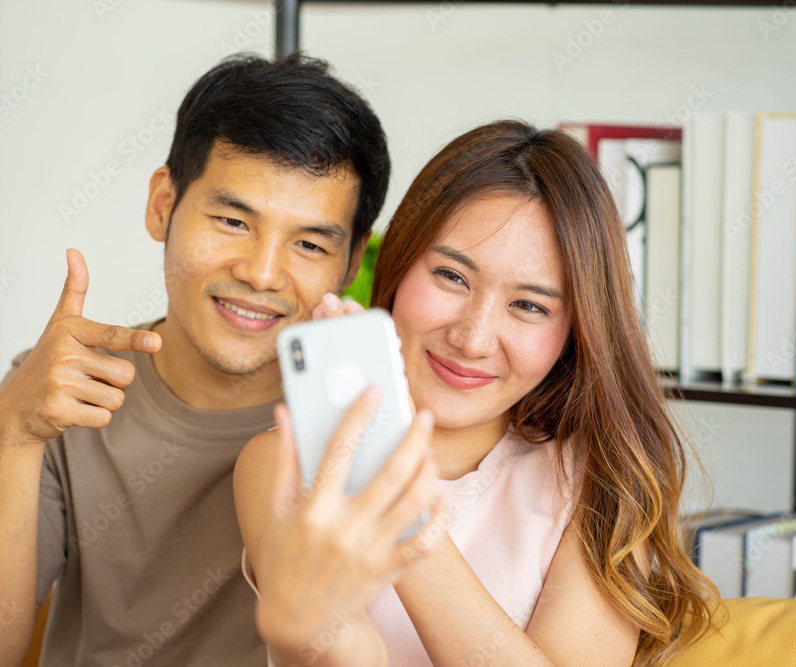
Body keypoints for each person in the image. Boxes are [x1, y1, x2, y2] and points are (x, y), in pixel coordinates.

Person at [0, 52, 390, 666]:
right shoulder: (62, 395)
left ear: (351, 262)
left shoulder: (364, 418)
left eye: (309, 244)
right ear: (163, 204)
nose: (262, 273)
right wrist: (14, 429)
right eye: (232, 220)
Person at [234, 120, 721, 666]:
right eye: (451, 276)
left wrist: (397, 500)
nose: (472, 338)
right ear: (399, 263)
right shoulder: (283, 462)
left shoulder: (601, 485)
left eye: (529, 306)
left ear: (575, 331)